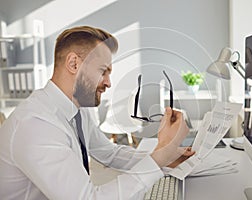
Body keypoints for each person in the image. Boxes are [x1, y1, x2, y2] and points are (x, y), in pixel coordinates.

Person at [0, 26, 194, 199]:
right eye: (103, 71)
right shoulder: (36, 125)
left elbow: (109, 153)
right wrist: (160, 157)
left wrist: (165, 155)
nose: (109, 82)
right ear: (74, 64)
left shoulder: (75, 110)